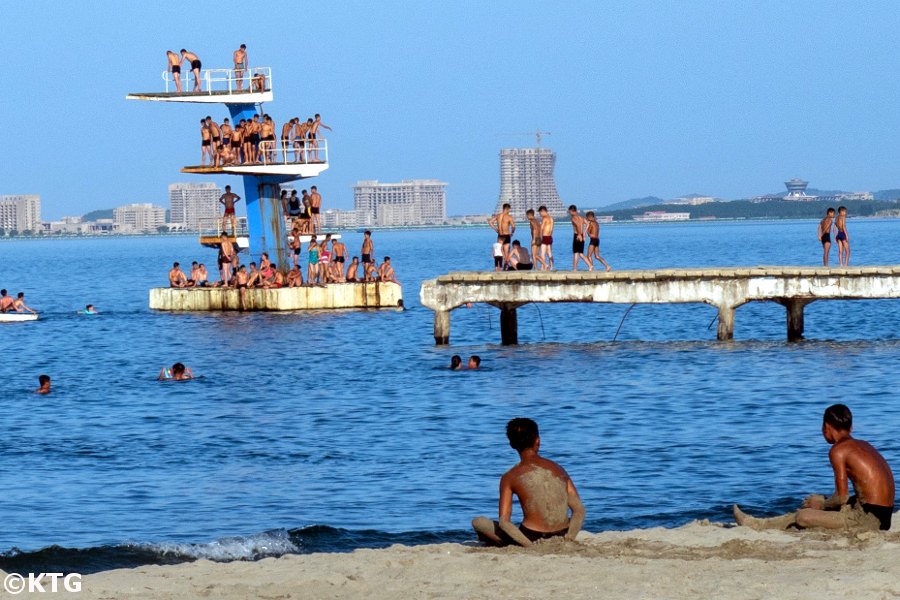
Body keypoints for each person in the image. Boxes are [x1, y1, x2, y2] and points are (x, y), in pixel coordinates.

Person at [734, 404, 895, 532]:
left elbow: (842, 497)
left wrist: (821, 505)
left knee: (803, 516)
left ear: (827, 427)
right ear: (850, 428)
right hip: (884, 517)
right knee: (818, 502)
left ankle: (756, 525)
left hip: (868, 520)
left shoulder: (838, 450)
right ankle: (762, 523)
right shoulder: (864, 445)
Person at [472, 418, 586, 547]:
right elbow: (579, 511)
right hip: (562, 534)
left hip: (531, 537)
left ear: (511, 444)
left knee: (478, 522)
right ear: (537, 440)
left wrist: (529, 547)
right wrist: (569, 539)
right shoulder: (558, 469)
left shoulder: (509, 476)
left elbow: (504, 522)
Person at [489, 203, 515, 268]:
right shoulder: (509, 217)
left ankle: (498, 266)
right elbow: (513, 226)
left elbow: (490, 222)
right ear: (508, 209)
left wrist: (495, 229)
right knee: (506, 252)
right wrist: (512, 232)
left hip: (500, 235)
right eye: (509, 210)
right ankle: (505, 265)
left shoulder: (498, 216)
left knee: (499, 251)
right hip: (506, 235)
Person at [568, 205, 591, 271]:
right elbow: (587, 224)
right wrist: (584, 233)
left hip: (577, 235)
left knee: (576, 252)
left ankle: (575, 268)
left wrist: (579, 234)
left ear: (572, 211)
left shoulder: (573, 218)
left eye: (569, 212)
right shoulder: (581, 217)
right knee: (580, 253)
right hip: (581, 235)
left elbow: (578, 225)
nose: (569, 213)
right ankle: (589, 266)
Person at [539, 205, 554, 270]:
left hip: (544, 237)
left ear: (543, 211)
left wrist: (540, 237)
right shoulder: (551, 218)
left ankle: (543, 266)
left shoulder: (545, 218)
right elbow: (552, 229)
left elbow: (541, 229)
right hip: (550, 236)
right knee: (549, 252)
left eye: (540, 213)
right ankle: (551, 266)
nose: (540, 215)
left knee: (543, 253)